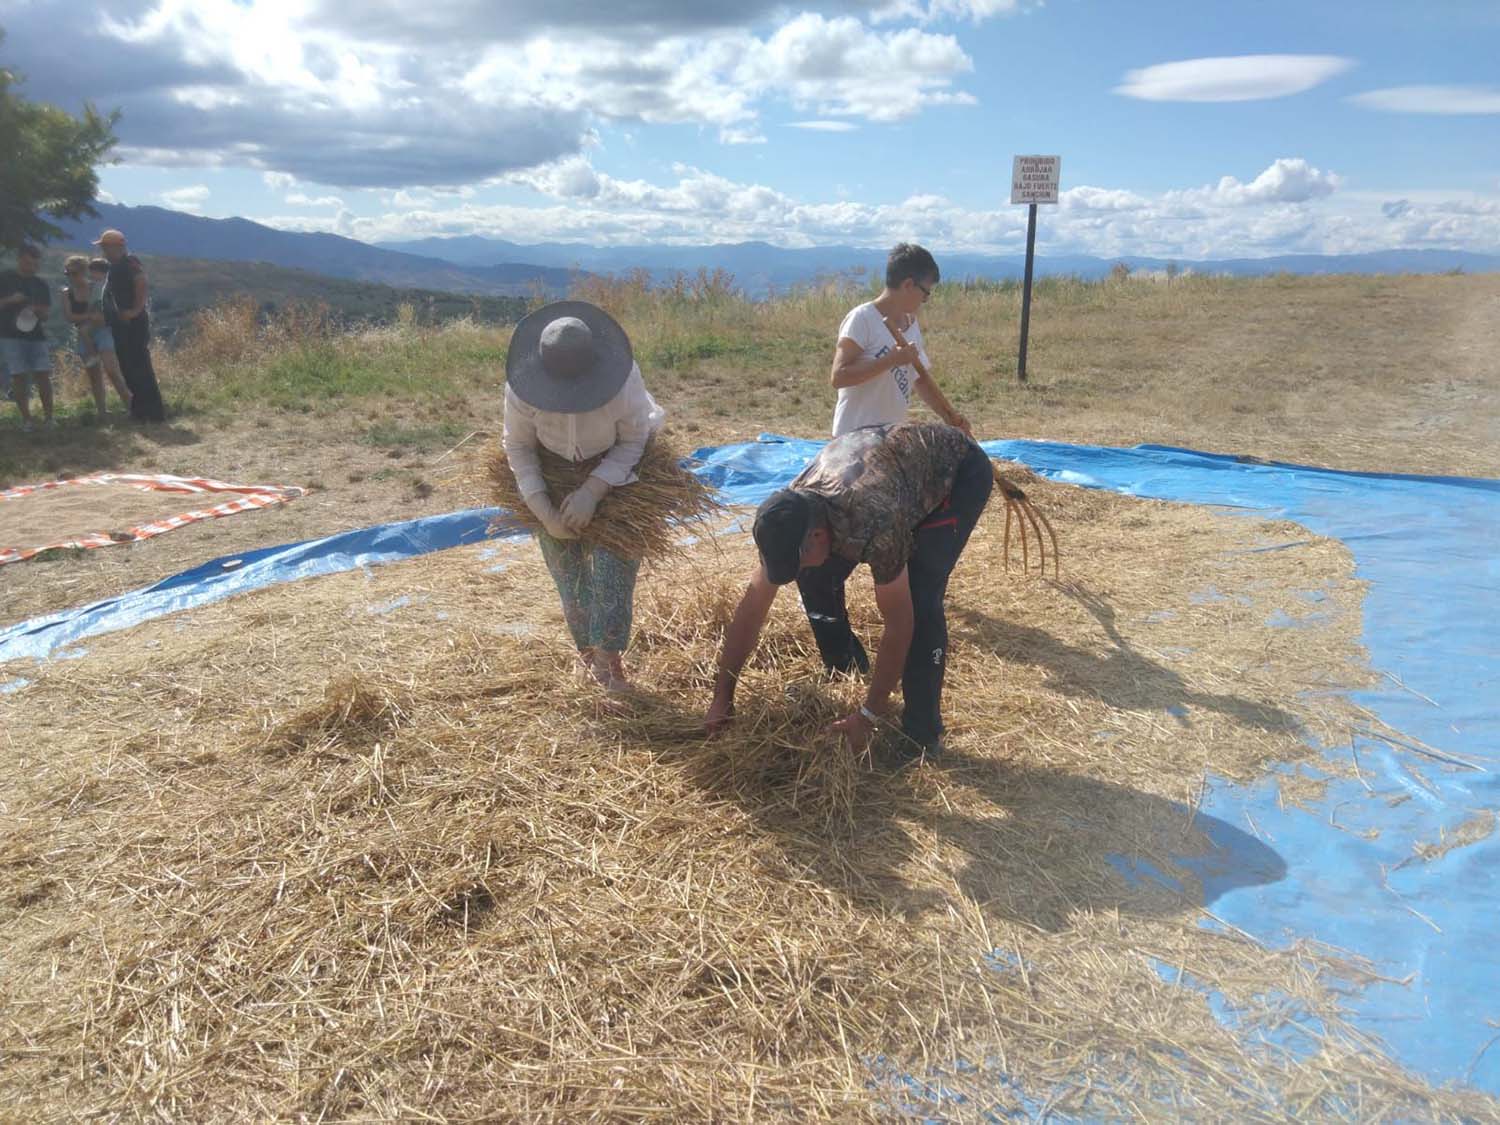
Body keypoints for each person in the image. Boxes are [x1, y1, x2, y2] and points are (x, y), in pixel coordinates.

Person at [705, 421, 993, 764]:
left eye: (798, 559)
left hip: (956, 473)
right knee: (813, 577)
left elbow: (899, 624)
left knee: (920, 599)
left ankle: (921, 734)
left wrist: (869, 715)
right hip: (891, 474)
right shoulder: (788, 514)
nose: (795, 569)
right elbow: (752, 608)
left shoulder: (875, 521)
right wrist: (723, 695)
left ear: (817, 536)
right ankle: (846, 667)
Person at [502, 300, 665, 692]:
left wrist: (593, 490)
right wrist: (543, 510)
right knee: (568, 571)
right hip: (550, 471)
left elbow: (633, 440)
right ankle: (588, 656)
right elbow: (518, 446)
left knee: (614, 565)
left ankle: (609, 659)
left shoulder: (623, 381)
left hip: (616, 469)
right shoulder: (521, 386)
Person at [830, 242, 970, 438]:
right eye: (925, 293)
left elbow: (920, 380)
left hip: (888, 438)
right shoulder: (862, 318)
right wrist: (891, 360)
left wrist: (949, 417)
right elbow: (838, 377)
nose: (925, 300)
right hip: (853, 438)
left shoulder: (911, 325)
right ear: (908, 285)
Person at [95, 229, 166, 422]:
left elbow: (141, 282)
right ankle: (140, 411)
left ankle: (153, 412)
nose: (103, 250)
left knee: (139, 366)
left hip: (132, 324)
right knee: (128, 367)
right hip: (121, 324)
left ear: (117, 246)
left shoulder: (129, 262)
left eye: (105, 246)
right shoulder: (116, 266)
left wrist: (135, 311)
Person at [61, 255, 130, 419]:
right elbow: (69, 317)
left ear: (84, 272)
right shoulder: (66, 293)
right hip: (83, 333)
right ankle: (102, 412)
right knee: (94, 376)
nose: (71, 277)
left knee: (112, 370)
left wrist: (89, 318)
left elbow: (106, 312)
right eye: (67, 273)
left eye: (74, 273)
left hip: (103, 330)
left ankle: (131, 405)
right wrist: (90, 317)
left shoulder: (98, 288)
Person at [0, 243, 56, 431]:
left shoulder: (41, 284)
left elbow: (46, 315)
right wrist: (10, 300)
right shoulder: (5, 278)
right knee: (19, 376)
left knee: (43, 375)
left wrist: (37, 310)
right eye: (27, 262)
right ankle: (27, 420)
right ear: (19, 259)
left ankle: (49, 418)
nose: (31, 267)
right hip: (10, 336)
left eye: (34, 264)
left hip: (36, 335)